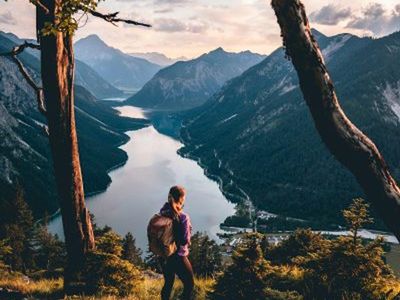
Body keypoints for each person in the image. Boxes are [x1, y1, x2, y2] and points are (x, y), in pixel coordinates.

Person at [159, 185, 194, 300]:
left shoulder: (162, 212)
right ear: (182, 199)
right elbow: (184, 240)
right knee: (189, 284)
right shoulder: (183, 217)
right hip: (178, 256)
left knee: (168, 283)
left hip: (164, 255)